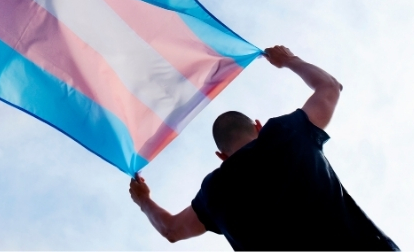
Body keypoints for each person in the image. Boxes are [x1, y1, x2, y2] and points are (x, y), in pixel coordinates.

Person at [129, 45, 398, 250]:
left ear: (221, 156)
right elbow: (329, 87)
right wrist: (289, 60)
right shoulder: (286, 133)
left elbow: (171, 230)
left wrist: (144, 201)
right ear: (258, 127)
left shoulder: (213, 193)